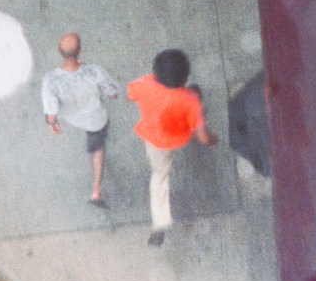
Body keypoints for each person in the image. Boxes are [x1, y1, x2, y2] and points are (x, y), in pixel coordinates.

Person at [126, 49, 218, 245]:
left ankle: (159, 224)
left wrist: (152, 83)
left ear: (157, 75)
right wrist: (213, 139)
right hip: (178, 137)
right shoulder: (191, 100)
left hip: (154, 139)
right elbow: (203, 137)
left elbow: (130, 93)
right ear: (185, 76)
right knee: (195, 95)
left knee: (160, 176)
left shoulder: (146, 86)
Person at [41, 33, 120, 205]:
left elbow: (52, 114)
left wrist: (52, 123)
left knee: (92, 136)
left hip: (71, 117)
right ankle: (96, 191)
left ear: (58, 51)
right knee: (98, 147)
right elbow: (113, 93)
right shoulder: (94, 71)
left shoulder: (50, 79)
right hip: (95, 119)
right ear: (80, 51)